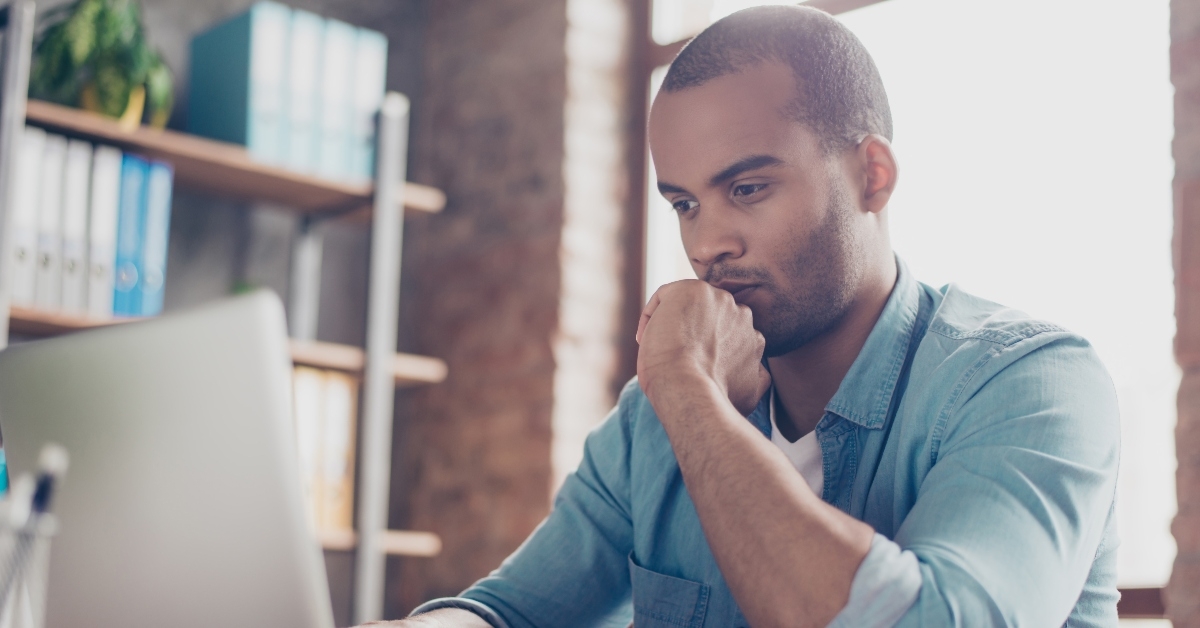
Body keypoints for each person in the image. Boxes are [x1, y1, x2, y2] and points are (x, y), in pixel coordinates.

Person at [364, 5, 1120, 627]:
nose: (706, 246)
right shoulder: (650, 422)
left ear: (872, 175)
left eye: (748, 189)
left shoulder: (1031, 384)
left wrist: (687, 393)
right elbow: (509, 614)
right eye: (684, 204)